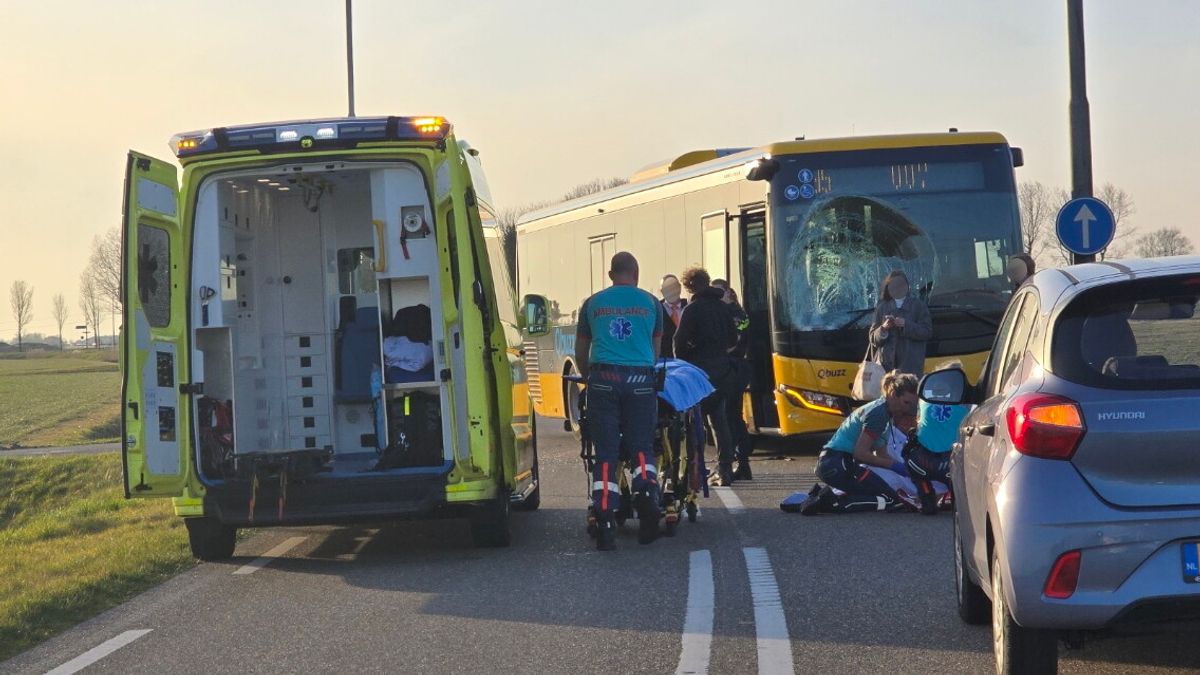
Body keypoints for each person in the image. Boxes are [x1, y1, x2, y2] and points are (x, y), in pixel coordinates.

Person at [575, 252, 663, 551]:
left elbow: (581, 350)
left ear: (611, 274)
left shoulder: (592, 304)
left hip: (603, 379)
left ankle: (604, 516)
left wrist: (590, 380)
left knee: (607, 452)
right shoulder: (652, 303)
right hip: (640, 381)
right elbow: (655, 349)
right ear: (636, 274)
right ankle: (648, 494)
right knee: (641, 447)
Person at [780, 371, 920, 514]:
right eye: (906, 403)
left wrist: (908, 470)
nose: (908, 409)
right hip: (838, 463)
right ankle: (827, 503)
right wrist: (895, 466)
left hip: (837, 463)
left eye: (912, 404)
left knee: (888, 495)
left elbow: (882, 454)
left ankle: (816, 497)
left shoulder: (884, 412)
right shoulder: (879, 414)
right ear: (893, 394)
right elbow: (860, 454)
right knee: (889, 499)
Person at [674, 267, 739, 486]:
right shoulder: (722, 308)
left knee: (694, 422)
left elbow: (679, 341)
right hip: (722, 371)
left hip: (699, 373)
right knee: (720, 422)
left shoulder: (692, 310)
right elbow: (733, 339)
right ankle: (725, 468)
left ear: (689, 286)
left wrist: (684, 363)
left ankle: (696, 467)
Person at [902, 360, 969, 515]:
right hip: (950, 464)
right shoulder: (966, 405)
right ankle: (958, 499)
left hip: (921, 461)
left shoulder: (924, 401)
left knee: (911, 449)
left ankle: (926, 495)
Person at [712, 279, 753, 480]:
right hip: (730, 368)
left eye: (720, 293)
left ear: (729, 293)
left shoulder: (737, 314)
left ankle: (741, 460)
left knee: (730, 416)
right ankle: (741, 463)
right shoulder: (726, 312)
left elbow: (732, 344)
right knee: (730, 416)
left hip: (735, 368)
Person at [869, 271, 933, 377]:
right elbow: (872, 338)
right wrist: (884, 328)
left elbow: (927, 332)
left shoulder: (918, 306)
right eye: (894, 285)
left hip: (910, 371)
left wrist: (906, 324)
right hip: (885, 371)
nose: (897, 288)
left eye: (900, 285)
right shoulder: (882, 308)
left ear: (907, 286)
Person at [659, 274, 687, 358]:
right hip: (665, 360)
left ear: (679, 287)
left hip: (688, 360)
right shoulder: (657, 310)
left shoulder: (689, 307)